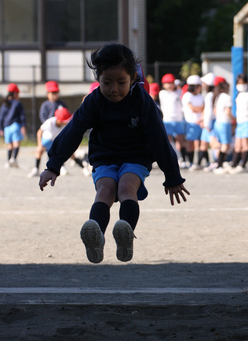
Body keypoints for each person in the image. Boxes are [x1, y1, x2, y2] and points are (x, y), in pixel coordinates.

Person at [39, 43, 190, 264]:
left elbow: (158, 138)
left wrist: (173, 177)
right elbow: (73, 130)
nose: (114, 89)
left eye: (121, 82)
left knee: (126, 186)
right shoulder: (94, 101)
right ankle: (96, 236)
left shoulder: (142, 101)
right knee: (105, 190)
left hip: (135, 156)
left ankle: (125, 232)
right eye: (107, 83)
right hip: (105, 157)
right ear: (98, 79)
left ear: (132, 78)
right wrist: (53, 165)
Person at [28, 107, 73, 177]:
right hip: (47, 141)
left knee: (69, 152)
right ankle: (36, 169)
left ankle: (81, 167)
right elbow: (39, 132)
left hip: (56, 142)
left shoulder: (65, 126)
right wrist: (39, 144)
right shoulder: (50, 122)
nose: (66, 122)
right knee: (39, 150)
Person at [158, 73, 185, 164]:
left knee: (179, 139)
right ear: (163, 84)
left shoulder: (179, 92)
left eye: (171, 82)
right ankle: (172, 156)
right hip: (167, 119)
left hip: (178, 119)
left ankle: (180, 157)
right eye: (167, 83)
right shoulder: (162, 93)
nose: (169, 85)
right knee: (168, 140)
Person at [0, 83, 26, 168]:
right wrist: (23, 126)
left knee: (9, 145)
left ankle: (8, 162)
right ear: (15, 93)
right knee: (16, 144)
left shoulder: (4, 104)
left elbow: (1, 117)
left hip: (6, 127)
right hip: (15, 125)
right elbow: (22, 116)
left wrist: (1, 128)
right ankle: (14, 159)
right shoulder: (17, 103)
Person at [181, 75, 204, 170]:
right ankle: (190, 162)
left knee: (199, 143)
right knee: (190, 143)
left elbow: (203, 108)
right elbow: (193, 108)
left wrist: (200, 110)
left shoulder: (200, 96)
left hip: (200, 122)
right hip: (190, 122)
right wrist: (201, 108)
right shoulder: (187, 96)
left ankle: (197, 163)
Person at [211, 78, 234, 174]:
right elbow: (228, 112)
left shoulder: (217, 96)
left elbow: (215, 111)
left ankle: (219, 163)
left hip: (218, 122)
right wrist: (234, 119)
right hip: (224, 122)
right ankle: (219, 164)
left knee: (220, 144)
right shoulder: (227, 97)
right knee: (225, 145)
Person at [228, 73, 248, 174]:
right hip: (240, 122)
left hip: (246, 121)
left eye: (243, 82)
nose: (241, 84)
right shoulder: (239, 95)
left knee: (245, 144)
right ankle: (234, 164)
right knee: (237, 145)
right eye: (239, 82)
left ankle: (242, 165)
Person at [198, 72, 215, 170]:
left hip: (209, 122)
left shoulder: (209, 96)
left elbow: (209, 111)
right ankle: (201, 163)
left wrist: (206, 123)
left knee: (212, 143)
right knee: (204, 143)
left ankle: (215, 162)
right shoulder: (211, 95)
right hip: (208, 121)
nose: (202, 85)